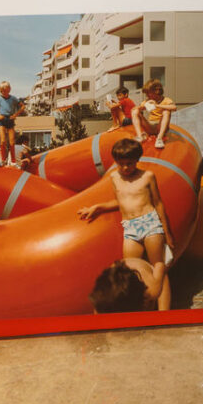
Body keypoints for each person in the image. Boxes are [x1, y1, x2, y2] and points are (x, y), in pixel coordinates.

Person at [77, 137, 173, 311]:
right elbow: (120, 201)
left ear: (137, 160)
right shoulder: (114, 177)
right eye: (121, 164)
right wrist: (98, 207)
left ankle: (164, 312)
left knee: (158, 268)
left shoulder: (147, 176)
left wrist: (167, 233)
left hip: (150, 223)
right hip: (130, 227)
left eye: (130, 164)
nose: (126, 168)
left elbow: (158, 203)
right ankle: (142, 308)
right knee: (129, 270)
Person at [89, 258, 167, 313]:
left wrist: (163, 310)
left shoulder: (152, 289)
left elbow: (160, 265)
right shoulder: (102, 299)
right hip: (119, 270)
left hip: (142, 268)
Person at [0, 81, 24, 165]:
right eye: (2, 91)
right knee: (3, 141)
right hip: (2, 121)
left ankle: (13, 161)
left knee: (12, 142)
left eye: (5, 90)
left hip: (10, 120)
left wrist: (15, 115)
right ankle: (3, 160)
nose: (4, 92)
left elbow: (22, 106)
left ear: (9, 89)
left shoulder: (13, 98)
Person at [133, 79, 176, 150]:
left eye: (148, 93)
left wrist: (156, 105)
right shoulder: (148, 101)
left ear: (157, 91)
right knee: (135, 111)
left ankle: (159, 138)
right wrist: (141, 107)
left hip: (160, 126)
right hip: (150, 126)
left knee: (166, 112)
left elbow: (174, 107)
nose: (147, 95)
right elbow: (135, 109)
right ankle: (140, 136)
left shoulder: (166, 100)